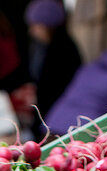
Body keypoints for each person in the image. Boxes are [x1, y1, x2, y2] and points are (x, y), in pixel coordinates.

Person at [24, 0, 81, 130]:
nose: (32, 31)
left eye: (35, 26)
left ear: (48, 26)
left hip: (57, 121)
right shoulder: (45, 47)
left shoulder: (62, 51)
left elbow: (51, 93)